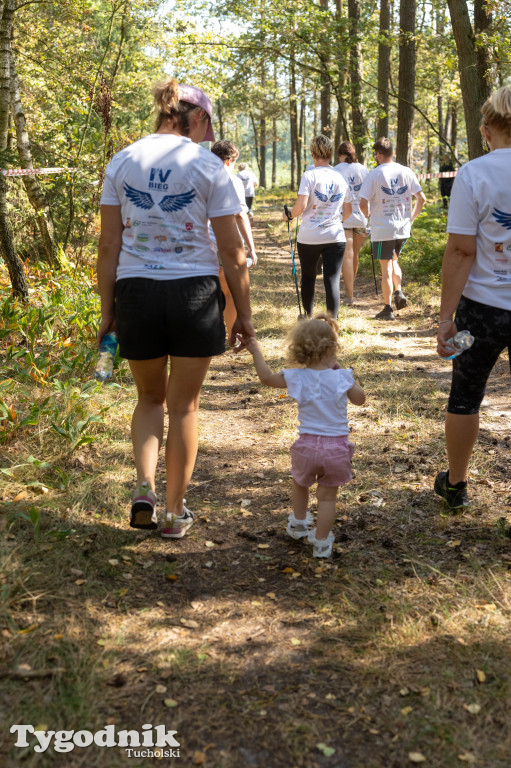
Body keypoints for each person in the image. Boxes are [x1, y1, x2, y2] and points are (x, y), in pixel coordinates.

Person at [97, 77, 255, 539]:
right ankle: (173, 512)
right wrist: (242, 312)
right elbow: (232, 252)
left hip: (137, 292)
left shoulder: (122, 161)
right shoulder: (209, 167)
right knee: (184, 405)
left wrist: (108, 310)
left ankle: (144, 486)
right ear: (198, 118)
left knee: (149, 398)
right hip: (194, 295)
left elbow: (109, 245)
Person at [435, 86, 511, 511]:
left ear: (486, 131)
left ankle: (456, 485)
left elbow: (462, 250)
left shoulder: (474, 174)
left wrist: (447, 317)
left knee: (465, 396)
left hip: (482, 307)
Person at [246, 316, 365, 558]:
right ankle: (321, 543)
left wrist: (255, 349)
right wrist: (340, 369)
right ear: (332, 348)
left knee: (300, 483)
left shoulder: (296, 376)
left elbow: (266, 378)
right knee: (327, 497)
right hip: (337, 448)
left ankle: (299, 523)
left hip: (307, 446)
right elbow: (360, 399)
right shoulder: (342, 376)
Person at [284, 135, 352, 319]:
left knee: (308, 277)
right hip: (335, 235)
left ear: (313, 154)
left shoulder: (309, 175)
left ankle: (307, 317)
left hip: (310, 236)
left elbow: (300, 206)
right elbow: (348, 210)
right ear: (331, 154)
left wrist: (289, 215)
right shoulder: (340, 177)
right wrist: (335, 220)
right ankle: (332, 324)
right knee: (332, 279)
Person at [359, 137, 426, 320]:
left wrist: (367, 215)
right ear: (392, 152)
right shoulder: (406, 171)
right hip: (402, 229)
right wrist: (410, 220)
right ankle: (399, 291)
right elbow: (422, 199)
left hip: (383, 229)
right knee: (394, 260)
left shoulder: (374, 174)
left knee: (385, 268)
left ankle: (387, 308)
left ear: (379, 154)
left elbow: (362, 203)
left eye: (375, 154)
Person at [210, 140, 257, 338]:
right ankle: (230, 335)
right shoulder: (233, 181)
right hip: (225, 243)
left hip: (200, 243)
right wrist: (251, 247)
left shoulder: (198, 177)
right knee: (228, 293)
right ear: (229, 160)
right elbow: (240, 215)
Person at [333, 141, 369, 305]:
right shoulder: (363, 169)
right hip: (361, 217)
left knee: (347, 256)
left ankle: (349, 295)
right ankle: (350, 288)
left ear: (340, 154)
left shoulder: (335, 170)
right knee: (355, 254)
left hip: (344, 217)